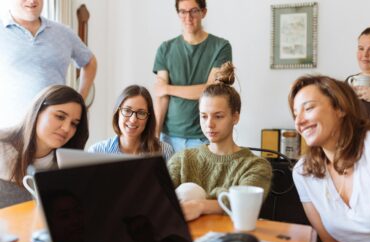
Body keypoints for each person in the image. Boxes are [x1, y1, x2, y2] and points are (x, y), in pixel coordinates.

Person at [289, 75, 370, 242]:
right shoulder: (303, 172)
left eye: (308, 108)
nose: (299, 121)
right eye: (295, 114)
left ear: (340, 108)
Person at [168, 62, 272, 221]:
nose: (209, 124)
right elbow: (157, 199)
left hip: (230, 241)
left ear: (235, 117)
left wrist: (200, 205)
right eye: (204, 116)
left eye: (218, 116)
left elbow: (244, 204)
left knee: (191, 191)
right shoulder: (182, 160)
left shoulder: (256, 166)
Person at [0, 0, 97, 128]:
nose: (32, 1)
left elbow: (90, 61)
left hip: (56, 130)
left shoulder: (63, 32)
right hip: (9, 131)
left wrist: (79, 101)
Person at [153, 0, 232, 153]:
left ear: (203, 12)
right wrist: (155, 136)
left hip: (203, 137)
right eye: (183, 11)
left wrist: (168, 88)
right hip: (168, 138)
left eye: (193, 11)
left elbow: (210, 90)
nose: (188, 17)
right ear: (178, 14)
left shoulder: (221, 47)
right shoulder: (165, 49)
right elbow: (161, 97)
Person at [0, 85, 89, 208]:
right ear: (37, 111)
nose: (67, 128)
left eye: (74, 124)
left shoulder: (67, 163)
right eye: (60, 116)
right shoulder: (2, 147)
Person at [88, 85, 174, 162]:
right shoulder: (96, 152)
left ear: (148, 118)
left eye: (141, 113)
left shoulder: (164, 151)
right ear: (117, 113)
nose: (133, 120)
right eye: (127, 110)